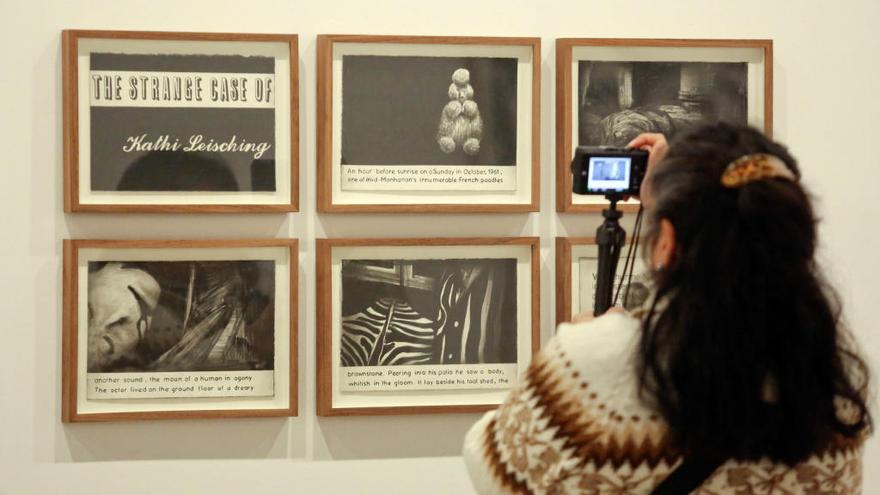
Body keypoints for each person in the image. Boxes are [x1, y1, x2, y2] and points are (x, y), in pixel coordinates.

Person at [463, 122, 871, 494]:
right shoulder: (834, 376)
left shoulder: (597, 362)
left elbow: (489, 462)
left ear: (666, 243)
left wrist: (592, 338)